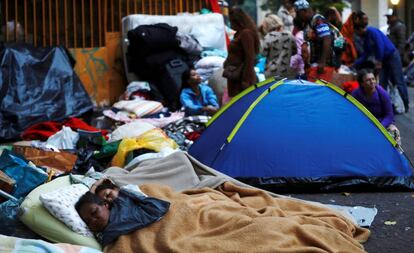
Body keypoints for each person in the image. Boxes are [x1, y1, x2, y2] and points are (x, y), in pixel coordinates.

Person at [76, 180, 170, 246]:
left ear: (106, 205)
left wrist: (126, 192)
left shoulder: (123, 202)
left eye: (94, 212)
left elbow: (157, 208)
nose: (92, 220)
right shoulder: (100, 237)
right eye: (87, 222)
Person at [354, 24, 410, 112]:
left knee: (399, 80)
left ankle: (406, 104)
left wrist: (379, 61)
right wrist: (355, 64)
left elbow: (380, 45)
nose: (357, 35)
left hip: (392, 56)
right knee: (382, 83)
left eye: (357, 32)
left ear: (360, 29)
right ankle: (384, 106)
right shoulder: (365, 38)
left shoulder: (371, 31)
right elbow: (366, 53)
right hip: (383, 59)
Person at [294, 0, 343, 82]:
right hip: (317, 63)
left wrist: (322, 62)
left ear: (304, 11)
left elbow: (326, 39)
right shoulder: (308, 24)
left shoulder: (318, 20)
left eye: (298, 14)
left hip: (326, 64)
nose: (297, 16)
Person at [351, 69, 401, 144]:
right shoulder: (356, 94)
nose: (372, 82)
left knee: (395, 133)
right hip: (365, 123)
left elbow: (389, 115)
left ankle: (396, 155)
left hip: (383, 123)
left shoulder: (382, 93)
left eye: (373, 79)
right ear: (362, 83)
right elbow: (352, 112)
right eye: (368, 80)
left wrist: (379, 127)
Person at [223, 7, 260, 97]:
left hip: (242, 77)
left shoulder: (246, 33)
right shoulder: (238, 33)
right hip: (235, 76)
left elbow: (250, 57)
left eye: (232, 21)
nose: (231, 24)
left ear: (238, 21)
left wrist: (246, 80)